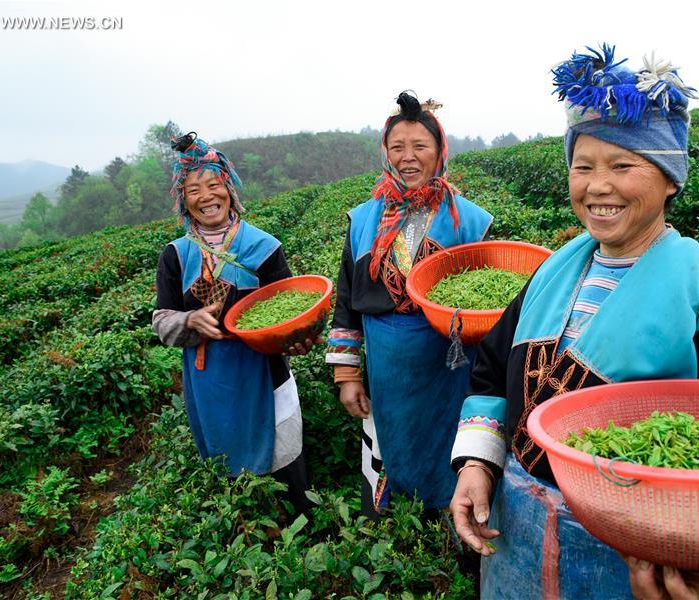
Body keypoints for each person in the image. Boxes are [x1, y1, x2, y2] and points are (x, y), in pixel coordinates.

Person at [449, 45, 699, 599]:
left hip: (639, 558)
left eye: (622, 165)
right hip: (518, 537)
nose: (597, 186)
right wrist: (478, 464)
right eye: (582, 166)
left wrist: (697, 558)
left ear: (669, 179)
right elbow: (492, 374)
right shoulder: (548, 277)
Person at [326, 92, 494, 517]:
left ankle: (451, 521)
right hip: (388, 366)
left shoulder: (470, 221)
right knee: (394, 443)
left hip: (448, 364)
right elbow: (346, 301)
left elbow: (491, 299)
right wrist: (348, 374)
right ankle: (397, 530)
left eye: (420, 146)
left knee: (446, 443)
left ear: (439, 153)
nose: (408, 157)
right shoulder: (364, 220)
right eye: (397, 147)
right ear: (385, 153)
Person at [152, 132, 312, 515]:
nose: (206, 196)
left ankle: (301, 532)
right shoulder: (176, 255)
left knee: (284, 457)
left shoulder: (264, 247)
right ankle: (248, 535)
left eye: (213, 184)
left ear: (229, 188)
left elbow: (288, 310)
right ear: (184, 202)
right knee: (229, 466)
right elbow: (161, 320)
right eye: (193, 190)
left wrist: (297, 336)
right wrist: (190, 320)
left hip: (264, 373)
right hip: (211, 380)